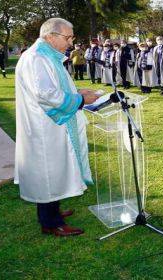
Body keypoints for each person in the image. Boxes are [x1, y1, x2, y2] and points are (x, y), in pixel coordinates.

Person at [14, 17, 100, 237]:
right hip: (46, 127)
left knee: (55, 169)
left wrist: (77, 93)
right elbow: (45, 94)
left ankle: (53, 212)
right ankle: (51, 223)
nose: (71, 42)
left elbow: (56, 87)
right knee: (48, 172)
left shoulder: (48, 56)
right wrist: (80, 101)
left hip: (52, 124)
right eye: (67, 37)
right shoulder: (36, 58)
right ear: (50, 36)